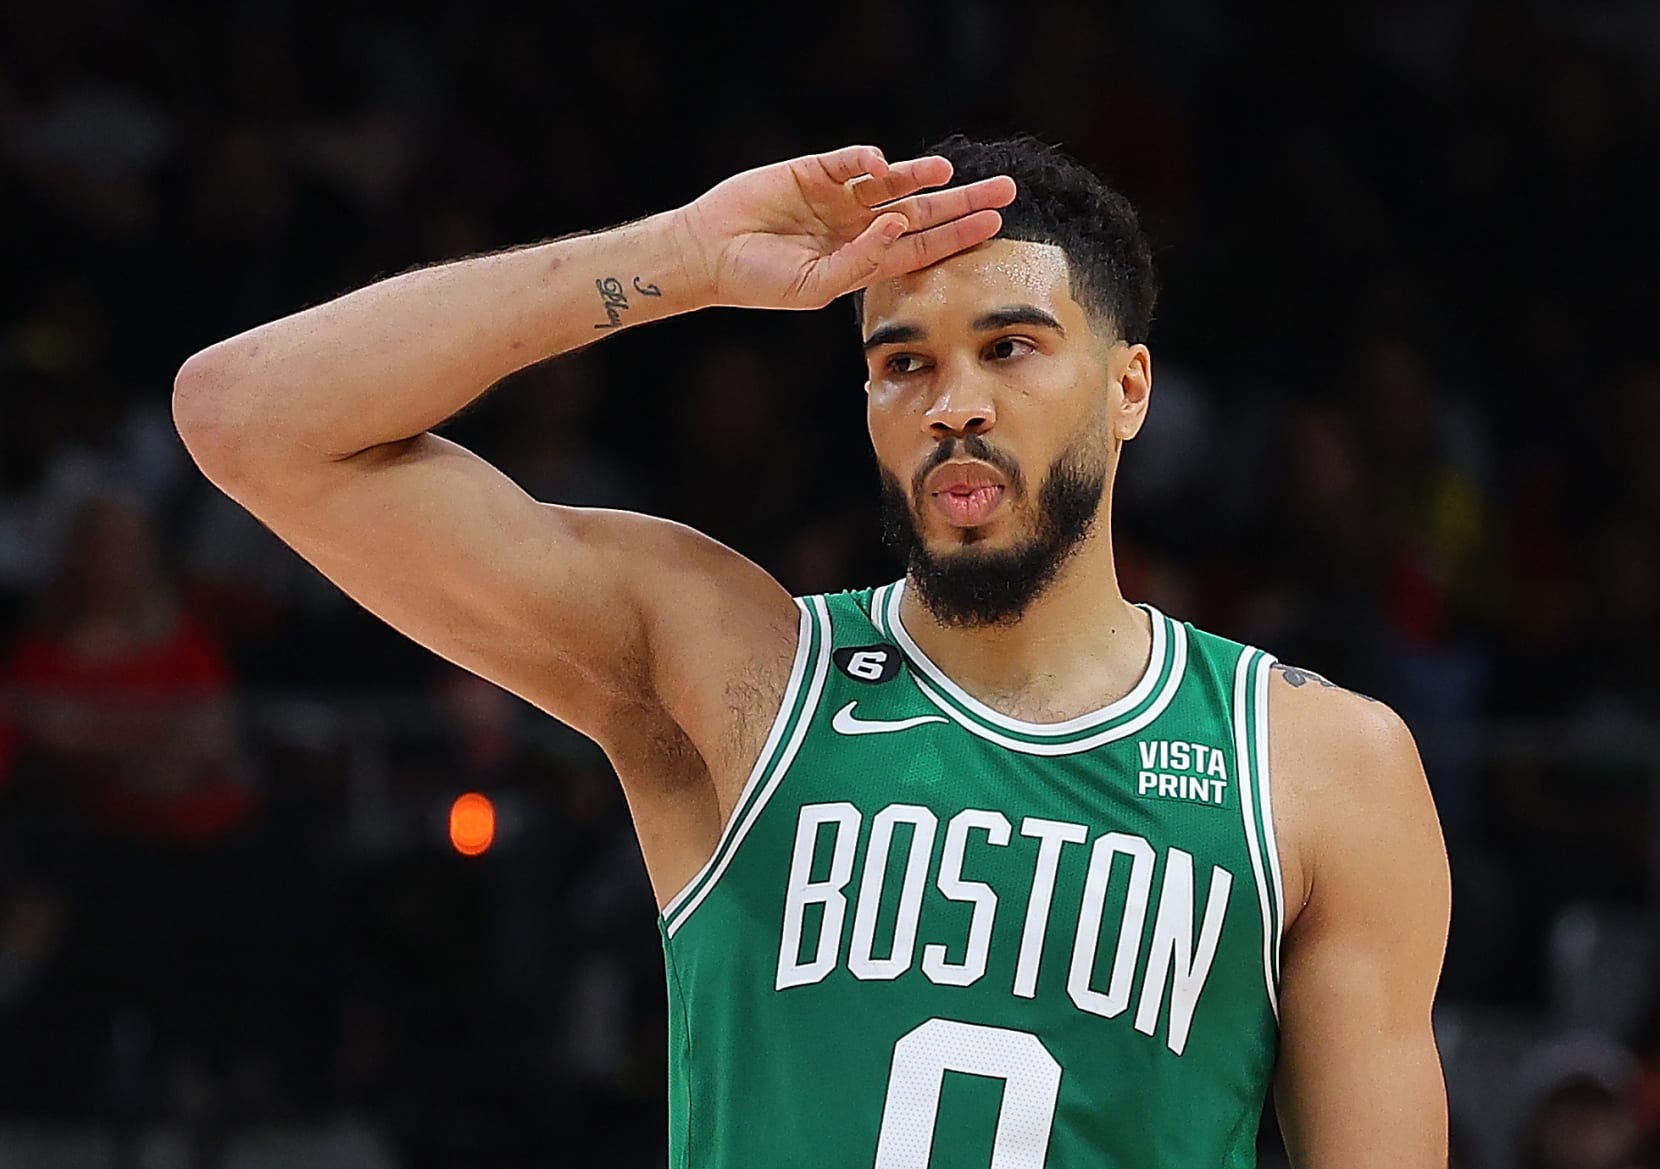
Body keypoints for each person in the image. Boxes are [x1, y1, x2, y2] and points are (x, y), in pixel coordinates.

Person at [173, 135, 1451, 1167]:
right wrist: (676, 256)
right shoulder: (740, 674)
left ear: (1129, 388)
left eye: (1009, 346)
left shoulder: (1316, 766)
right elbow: (245, 416)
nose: (952, 399)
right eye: (904, 361)